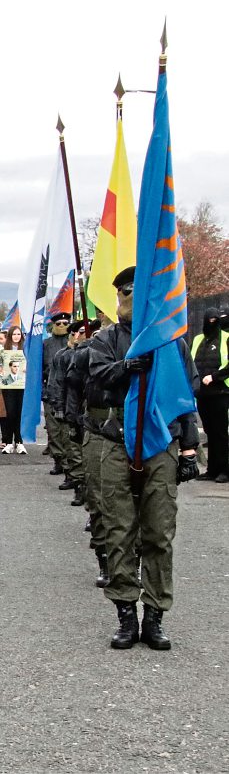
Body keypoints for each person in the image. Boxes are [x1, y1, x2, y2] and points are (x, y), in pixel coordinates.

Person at [88, 266, 199, 650]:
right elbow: (96, 381)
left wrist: (189, 448)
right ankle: (125, 614)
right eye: (127, 291)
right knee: (119, 531)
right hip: (117, 441)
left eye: (141, 291)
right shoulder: (106, 340)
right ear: (118, 296)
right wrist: (126, 368)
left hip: (161, 441)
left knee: (159, 533)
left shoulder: (172, 343)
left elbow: (185, 398)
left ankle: (154, 616)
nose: (133, 298)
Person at [65, 317, 109, 587]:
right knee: (98, 497)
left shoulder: (154, 342)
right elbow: (73, 384)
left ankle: (135, 560)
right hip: (97, 427)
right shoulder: (90, 349)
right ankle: (105, 559)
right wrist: (72, 420)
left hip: (140, 431)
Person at [51, 321, 87, 503]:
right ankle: (78, 484)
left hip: (91, 410)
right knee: (73, 449)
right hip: (72, 408)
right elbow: (59, 383)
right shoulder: (65, 356)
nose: (80, 335)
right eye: (78, 332)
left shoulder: (97, 352)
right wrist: (58, 406)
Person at [191, 307, 229, 482]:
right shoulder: (198, 339)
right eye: (210, 320)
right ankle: (212, 469)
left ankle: (225, 470)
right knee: (210, 433)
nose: (212, 323)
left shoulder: (226, 338)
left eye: (215, 320)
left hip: (221, 392)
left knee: (220, 433)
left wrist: (214, 377)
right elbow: (191, 362)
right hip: (203, 394)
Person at [43, 311, 72, 476]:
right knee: (53, 429)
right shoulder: (46, 344)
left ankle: (69, 463)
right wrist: (43, 391)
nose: (62, 326)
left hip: (69, 393)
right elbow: (39, 369)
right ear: (53, 325)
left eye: (65, 323)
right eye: (58, 324)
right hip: (51, 392)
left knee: (67, 430)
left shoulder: (72, 343)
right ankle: (58, 460)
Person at [0, 327, 27, 454]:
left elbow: (33, 364)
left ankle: (19, 442)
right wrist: (0, 371)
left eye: (18, 334)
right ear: (10, 336)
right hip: (8, 386)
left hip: (22, 385)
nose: (16, 336)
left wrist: (27, 368)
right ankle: (9, 442)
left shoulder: (26, 349)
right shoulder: (4, 350)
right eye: (14, 334)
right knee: (10, 413)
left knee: (19, 413)